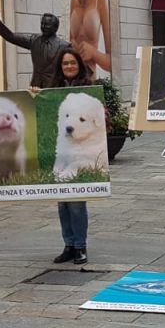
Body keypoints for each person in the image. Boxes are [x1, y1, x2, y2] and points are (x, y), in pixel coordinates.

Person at [49, 46, 96, 266]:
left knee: (76, 202)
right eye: (65, 63)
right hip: (63, 149)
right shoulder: (53, 89)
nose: (69, 66)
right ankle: (68, 244)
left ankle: (80, 246)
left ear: (79, 65)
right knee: (62, 203)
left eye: (72, 63)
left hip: (83, 150)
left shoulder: (89, 89)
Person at [0, 3, 69, 89]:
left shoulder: (64, 46)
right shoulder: (34, 40)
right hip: (35, 89)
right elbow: (11, 36)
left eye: (47, 24)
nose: (43, 26)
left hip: (56, 90)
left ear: (55, 27)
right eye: (42, 24)